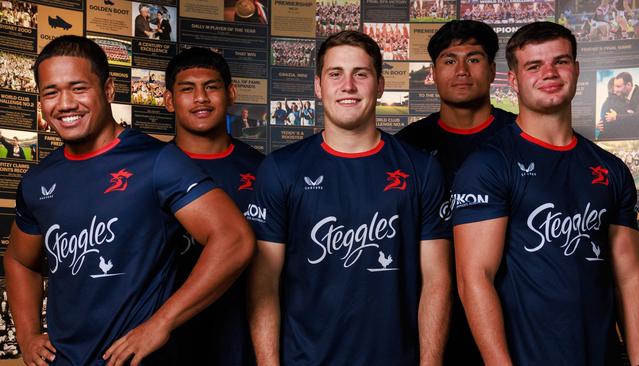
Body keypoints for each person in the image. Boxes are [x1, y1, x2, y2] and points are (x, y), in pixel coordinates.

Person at [4, 35, 255, 366]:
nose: (65, 103)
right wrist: (27, 335)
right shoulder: (39, 180)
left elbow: (234, 239)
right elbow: (20, 261)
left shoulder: (157, 161)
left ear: (108, 90)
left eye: (78, 88)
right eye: (51, 92)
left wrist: (161, 323)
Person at [247, 30, 452, 365]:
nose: (348, 86)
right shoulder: (281, 169)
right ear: (317, 86)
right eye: (335, 74)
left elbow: (437, 281)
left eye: (361, 74)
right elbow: (264, 283)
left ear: (380, 85)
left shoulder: (422, 169)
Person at [452, 22, 639, 365]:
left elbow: (630, 277)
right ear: (513, 80)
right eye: (533, 66)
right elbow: (475, 278)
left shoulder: (611, 168)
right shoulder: (488, 165)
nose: (549, 73)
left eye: (560, 61)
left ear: (575, 70)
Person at [396, 19, 516, 365]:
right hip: (427, 317)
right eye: (449, 60)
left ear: (493, 70)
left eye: (474, 59)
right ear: (432, 72)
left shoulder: (519, 138)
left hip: (508, 316)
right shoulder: (407, 148)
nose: (461, 70)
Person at [162, 47, 263, 365]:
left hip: (240, 340)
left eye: (211, 87)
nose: (201, 98)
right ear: (168, 101)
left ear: (230, 93)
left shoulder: (264, 170)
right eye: (187, 89)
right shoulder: (148, 171)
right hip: (165, 342)